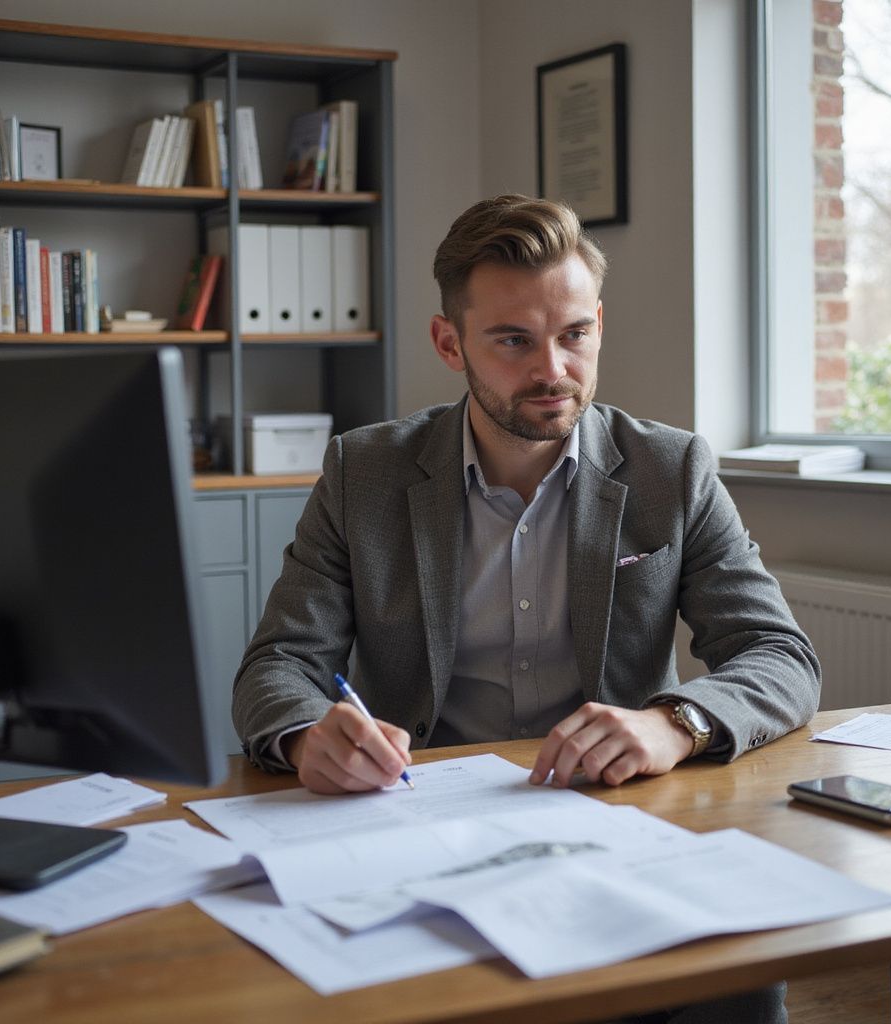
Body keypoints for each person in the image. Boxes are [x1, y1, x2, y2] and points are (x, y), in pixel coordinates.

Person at [233, 193, 819, 1023]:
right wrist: (303, 736)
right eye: (513, 340)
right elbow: (278, 664)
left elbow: (778, 653)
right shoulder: (363, 474)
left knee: (740, 983)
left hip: (617, 817)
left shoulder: (671, 470)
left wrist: (672, 723)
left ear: (599, 325)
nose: (553, 369)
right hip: (415, 827)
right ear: (450, 343)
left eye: (575, 334)